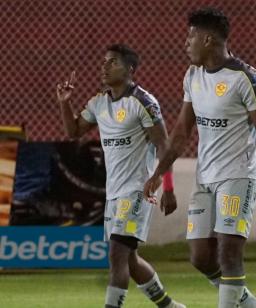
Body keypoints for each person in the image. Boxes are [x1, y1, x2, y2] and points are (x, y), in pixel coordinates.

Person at [143, 7, 256, 308]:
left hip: (238, 176)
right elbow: (182, 131)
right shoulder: (193, 75)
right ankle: (251, 305)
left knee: (229, 252)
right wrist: (160, 173)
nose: (186, 43)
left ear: (209, 40)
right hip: (205, 178)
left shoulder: (245, 77)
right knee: (200, 256)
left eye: (191, 36)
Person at [56, 45, 185, 307]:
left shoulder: (143, 102)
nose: (104, 67)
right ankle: (170, 306)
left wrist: (168, 186)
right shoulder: (99, 102)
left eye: (112, 62)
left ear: (130, 70)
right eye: (103, 62)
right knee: (129, 260)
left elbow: (165, 147)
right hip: (114, 193)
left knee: (117, 255)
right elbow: (73, 131)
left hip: (138, 190)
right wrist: (65, 103)